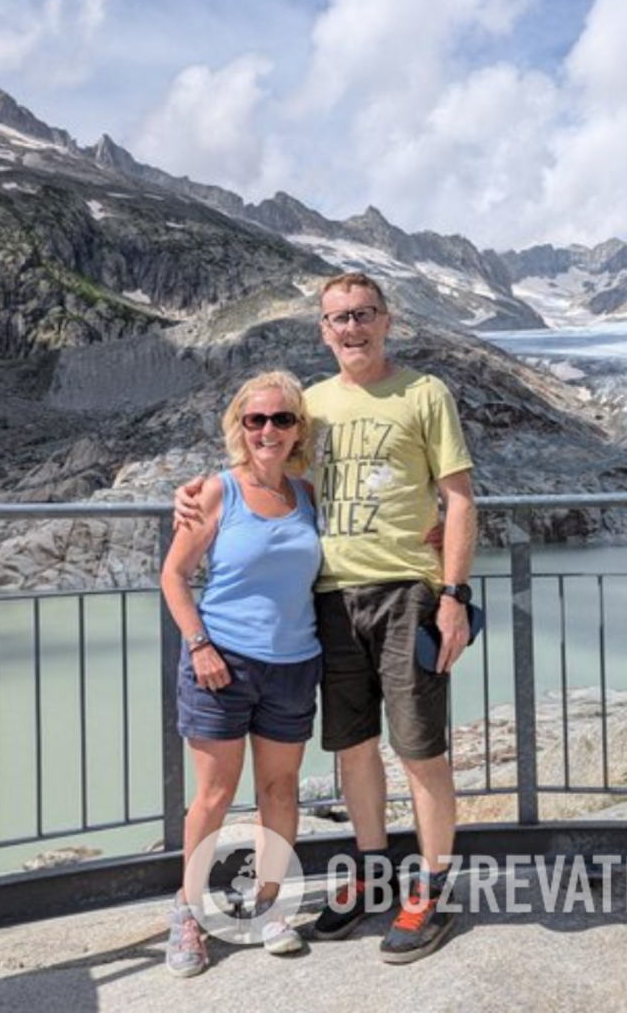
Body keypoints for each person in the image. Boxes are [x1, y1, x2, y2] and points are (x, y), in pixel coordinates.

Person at [176, 270, 476, 964]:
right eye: (339, 317)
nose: (352, 328)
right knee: (352, 746)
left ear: (386, 320)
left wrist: (453, 593)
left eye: (364, 314)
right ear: (324, 329)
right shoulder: (307, 404)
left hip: (407, 591)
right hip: (332, 601)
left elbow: (458, 498)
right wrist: (192, 493)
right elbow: (264, 466)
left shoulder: (425, 393)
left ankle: (431, 888)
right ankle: (373, 872)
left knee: (420, 747)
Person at [158, 370, 322, 976]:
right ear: (239, 427)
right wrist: (199, 645)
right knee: (215, 795)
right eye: (256, 420)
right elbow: (174, 576)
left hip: (293, 664)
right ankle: (189, 912)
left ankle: (269, 904)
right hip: (220, 662)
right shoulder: (215, 493)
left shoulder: (306, 495)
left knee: (280, 791)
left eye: (281, 419)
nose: (268, 430)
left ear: (297, 427)